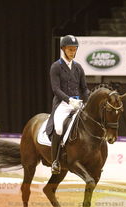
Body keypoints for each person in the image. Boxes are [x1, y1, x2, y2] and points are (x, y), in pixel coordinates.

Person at [45, 35, 90, 174]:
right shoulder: (56, 67)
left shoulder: (78, 68)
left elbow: (84, 88)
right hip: (62, 104)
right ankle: (55, 161)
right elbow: (56, 89)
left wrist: (88, 100)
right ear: (63, 49)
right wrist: (69, 100)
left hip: (78, 103)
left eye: (74, 49)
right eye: (70, 49)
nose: (72, 52)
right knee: (59, 129)